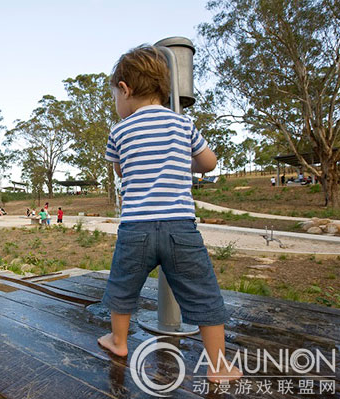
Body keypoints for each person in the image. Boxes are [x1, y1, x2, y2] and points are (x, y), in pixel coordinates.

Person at [97, 45, 241, 384]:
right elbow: (209, 163)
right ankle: (218, 365)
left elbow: (120, 171)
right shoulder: (182, 124)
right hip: (180, 228)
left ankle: (118, 342)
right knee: (204, 293)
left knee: (123, 286)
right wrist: (183, 162)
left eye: (114, 96)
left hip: (136, 228)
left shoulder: (119, 131)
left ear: (124, 89)